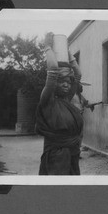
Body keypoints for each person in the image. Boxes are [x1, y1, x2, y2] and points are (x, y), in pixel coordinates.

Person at [35, 32, 84, 175]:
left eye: (68, 82)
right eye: (61, 82)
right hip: (56, 155)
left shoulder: (66, 100)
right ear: (54, 84)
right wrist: (48, 47)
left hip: (73, 153)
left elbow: (78, 75)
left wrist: (67, 52)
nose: (66, 85)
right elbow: (53, 70)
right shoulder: (47, 99)